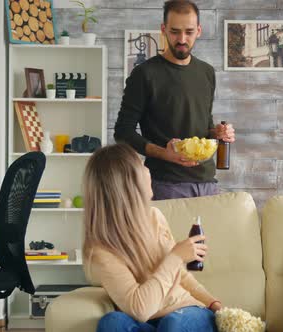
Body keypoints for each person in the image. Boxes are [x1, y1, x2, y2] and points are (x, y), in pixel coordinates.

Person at [83, 144, 222, 332]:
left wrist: (213, 304)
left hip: (186, 313)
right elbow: (140, 310)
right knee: (112, 322)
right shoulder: (100, 250)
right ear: (128, 185)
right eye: (141, 166)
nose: (148, 170)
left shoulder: (154, 217)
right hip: (147, 321)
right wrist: (176, 257)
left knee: (172, 324)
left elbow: (181, 276)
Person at [114, 0, 235, 200]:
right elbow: (123, 131)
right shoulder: (144, 73)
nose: (182, 39)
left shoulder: (206, 72)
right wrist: (164, 153)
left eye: (188, 32)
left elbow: (204, 125)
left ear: (199, 30)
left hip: (208, 184)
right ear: (164, 29)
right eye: (175, 31)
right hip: (164, 185)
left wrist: (219, 133)